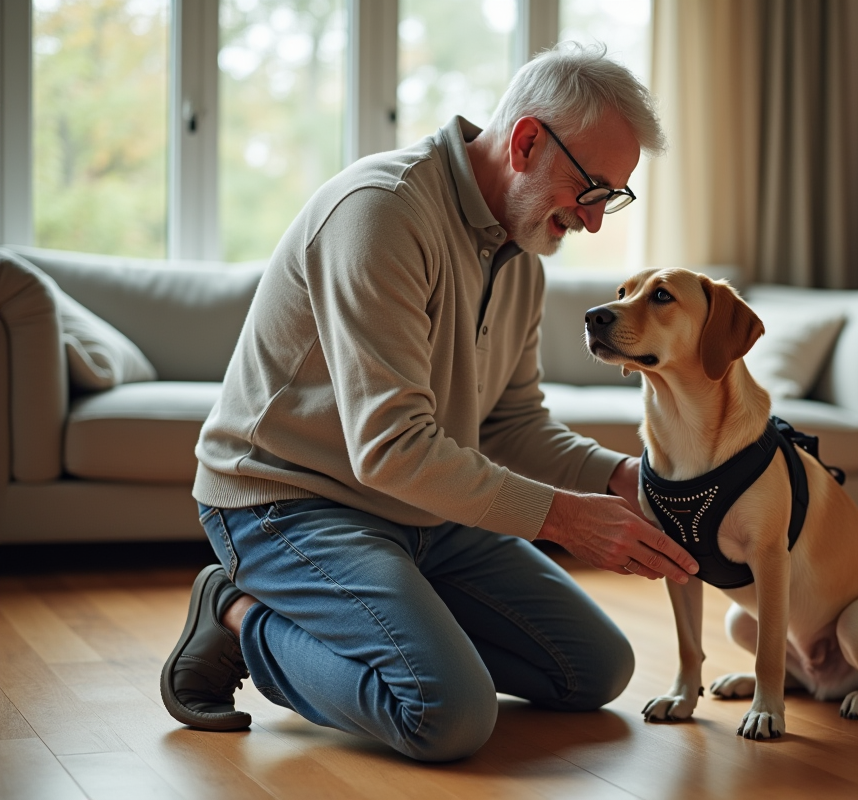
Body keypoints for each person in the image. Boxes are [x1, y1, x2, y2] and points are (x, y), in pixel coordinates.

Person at [159, 42, 699, 763]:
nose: (594, 221)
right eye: (592, 189)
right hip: (287, 503)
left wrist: (620, 477)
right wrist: (565, 518)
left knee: (593, 668)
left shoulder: (521, 256)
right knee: (445, 714)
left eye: (612, 197)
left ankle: (395, 622)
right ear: (527, 142)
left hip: (423, 510)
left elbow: (510, 423)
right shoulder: (382, 212)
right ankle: (235, 612)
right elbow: (391, 448)